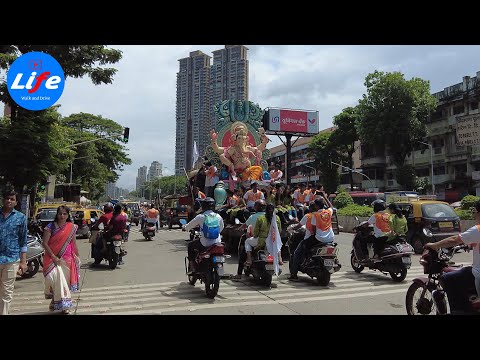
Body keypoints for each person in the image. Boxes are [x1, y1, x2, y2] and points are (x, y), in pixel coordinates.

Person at [425, 200, 480, 314]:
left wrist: (435, 245)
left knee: (447, 278)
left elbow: (455, 240)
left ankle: (457, 311)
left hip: (478, 273)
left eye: (475, 212)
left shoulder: (478, 229)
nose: (474, 215)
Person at [42, 205, 80, 314]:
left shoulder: (71, 227)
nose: (62, 216)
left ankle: (64, 306)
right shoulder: (50, 227)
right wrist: (54, 257)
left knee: (64, 283)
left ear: (68, 215)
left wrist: (77, 256)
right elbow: (44, 243)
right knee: (54, 280)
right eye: (60, 214)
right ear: (57, 214)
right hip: (52, 258)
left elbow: (73, 243)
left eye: (65, 214)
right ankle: (58, 301)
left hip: (67, 258)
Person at [289, 195, 335, 280]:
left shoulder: (315, 215)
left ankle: (294, 275)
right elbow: (331, 207)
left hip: (319, 238)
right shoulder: (328, 212)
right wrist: (325, 197)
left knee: (298, 252)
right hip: (331, 238)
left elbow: (313, 230)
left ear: (316, 206)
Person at [0, 188, 27, 315]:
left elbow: (23, 241)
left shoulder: (21, 218)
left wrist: (23, 261)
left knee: (7, 291)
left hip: (12, 259)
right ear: (3, 200)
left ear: (16, 202)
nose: (9, 201)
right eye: (7, 198)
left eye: (12, 199)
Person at [183, 198, 224, 274]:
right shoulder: (218, 216)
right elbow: (221, 228)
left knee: (190, 246)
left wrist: (185, 227)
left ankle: (192, 267)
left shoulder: (201, 217)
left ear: (204, 206)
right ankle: (221, 270)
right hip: (217, 242)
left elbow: (189, 226)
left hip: (205, 243)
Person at [233, 199, 267, 279]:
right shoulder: (269, 216)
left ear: (256, 207)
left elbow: (245, 225)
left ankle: (239, 273)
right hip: (268, 240)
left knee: (245, 246)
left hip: (257, 239)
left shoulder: (253, 216)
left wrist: (238, 229)